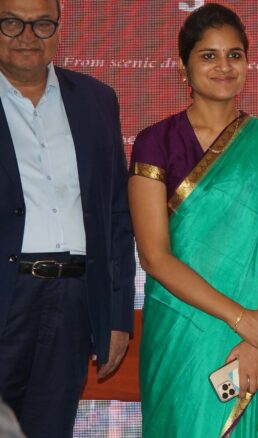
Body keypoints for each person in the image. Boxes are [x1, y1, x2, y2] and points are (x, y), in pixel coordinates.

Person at [130, 4, 258, 436]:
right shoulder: (154, 143)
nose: (223, 66)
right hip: (183, 331)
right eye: (208, 55)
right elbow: (155, 257)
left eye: (234, 55)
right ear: (184, 67)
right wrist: (241, 319)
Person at [0, 0, 134, 436]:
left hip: (74, 300)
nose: (27, 35)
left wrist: (116, 314)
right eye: (11, 22)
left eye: (41, 23)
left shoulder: (96, 100)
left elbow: (116, 212)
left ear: (58, 30)